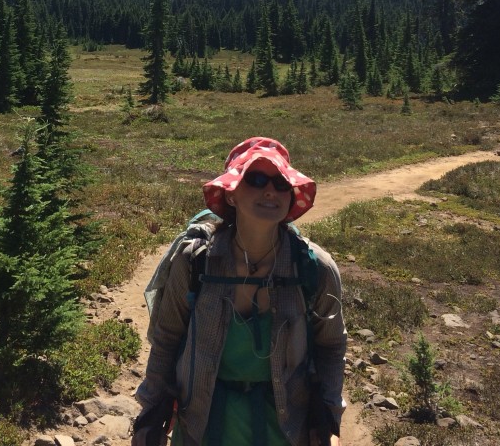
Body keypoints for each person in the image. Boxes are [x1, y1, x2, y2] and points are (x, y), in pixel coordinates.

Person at [133, 137, 346, 446]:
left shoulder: (315, 268)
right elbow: (166, 339)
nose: (270, 190)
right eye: (255, 179)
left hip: (285, 430)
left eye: (280, 183)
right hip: (201, 426)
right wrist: (151, 414)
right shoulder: (196, 262)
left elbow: (331, 347)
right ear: (230, 195)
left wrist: (328, 420)